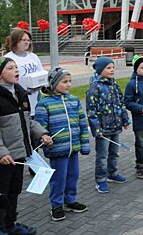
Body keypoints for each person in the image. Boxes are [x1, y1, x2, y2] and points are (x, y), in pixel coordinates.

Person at [0, 57, 52, 235]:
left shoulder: (20, 92)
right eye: (10, 68)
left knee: (13, 191)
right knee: (2, 195)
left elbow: (28, 121)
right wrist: (2, 152)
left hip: (20, 155)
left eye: (16, 67)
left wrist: (42, 133)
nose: (16, 70)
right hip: (4, 158)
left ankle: (10, 224)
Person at [35, 67, 90, 221]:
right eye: (64, 82)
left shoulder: (74, 100)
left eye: (70, 81)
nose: (69, 85)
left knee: (73, 175)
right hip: (57, 149)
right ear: (54, 83)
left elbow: (82, 124)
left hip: (73, 148)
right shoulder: (44, 103)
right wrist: (44, 138)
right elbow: (40, 127)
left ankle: (70, 200)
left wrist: (84, 144)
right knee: (59, 178)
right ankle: (56, 204)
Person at [86, 57, 130, 194]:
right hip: (103, 129)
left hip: (115, 126)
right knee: (102, 155)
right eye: (108, 68)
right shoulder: (95, 87)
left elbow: (120, 103)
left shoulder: (114, 85)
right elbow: (91, 111)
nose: (112, 70)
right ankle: (100, 179)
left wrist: (125, 119)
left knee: (114, 153)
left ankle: (112, 173)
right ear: (100, 70)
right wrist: (97, 129)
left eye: (113, 67)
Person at [4, 28, 45, 117]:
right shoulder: (8, 58)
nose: (27, 42)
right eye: (24, 40)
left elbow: (41, 73)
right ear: (16, 41)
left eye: (28, 40)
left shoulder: (33, 56)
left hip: (36, 99)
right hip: (19, 100)